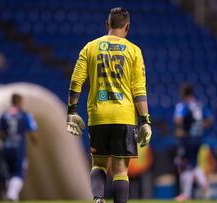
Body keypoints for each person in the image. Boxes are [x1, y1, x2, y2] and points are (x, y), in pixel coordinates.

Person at [66, 7, 151, 203]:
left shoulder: (90, 47)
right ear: (127, 26)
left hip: (98, 116)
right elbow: (139, 89)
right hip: (124, 116)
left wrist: (71, 111)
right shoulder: (134, 51)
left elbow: (76, 81)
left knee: (99, 165)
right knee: (121, 169)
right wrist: (145, 120)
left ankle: (97, 198)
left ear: (107, 24)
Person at [173, 84, 213, 201]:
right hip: (199, 138)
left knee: (185, 164)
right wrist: (200, 126)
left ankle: (186, 194)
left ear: (184, 92)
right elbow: (210, 118)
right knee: (193, 163)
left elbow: (178, 119)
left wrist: (181, 130)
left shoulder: (183, 105)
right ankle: (204, 186)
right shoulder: (199, 104)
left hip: (188, 138)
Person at [0, 93, 37, 201]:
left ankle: (12, 196)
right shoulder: (24, 114)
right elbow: (32, 130)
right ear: (19, 102)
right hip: (18, 148)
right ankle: (12, 195)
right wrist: (35, 141)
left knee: (9, 173)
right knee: (19, 173)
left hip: (6, 148)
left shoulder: (4, 114)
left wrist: (6, 140)